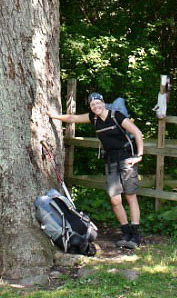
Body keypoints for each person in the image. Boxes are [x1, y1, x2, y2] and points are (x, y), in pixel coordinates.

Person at [50, 92, 145, 249]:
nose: (96, 106)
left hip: (127, 158)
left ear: (103, 103)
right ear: (91, 107)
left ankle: (135, 235)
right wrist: (54, 116)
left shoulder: (116, 116)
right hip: (110, 160)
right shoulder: (93, 118)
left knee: (130, 196)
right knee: (114, 199)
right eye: (93, 105)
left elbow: (137, 132)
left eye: (98, 103)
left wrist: (139, 156)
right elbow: (73, 118)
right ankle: (126, 232)